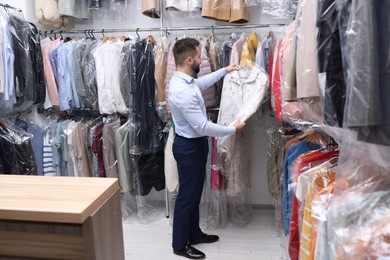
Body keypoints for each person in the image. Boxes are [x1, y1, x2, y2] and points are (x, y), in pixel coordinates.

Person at [168, 37, 246, 259]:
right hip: (190, 148)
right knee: (187, 197)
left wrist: (225, 70)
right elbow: (202, 126)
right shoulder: (182, 92)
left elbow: (201, 84)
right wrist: (233, 129)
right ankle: (180, 245)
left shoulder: (185, 80)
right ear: (190, 59)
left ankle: (194, 233)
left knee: (193, 195)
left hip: (193, 146)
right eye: (199, 56)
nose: (202, 59)